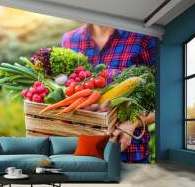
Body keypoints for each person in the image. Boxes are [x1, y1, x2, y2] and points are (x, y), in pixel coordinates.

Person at [62, 24, 157, 163]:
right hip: (79, 152)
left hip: (128, 154)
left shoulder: (143, 38)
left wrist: (132, 123)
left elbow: (163, 100)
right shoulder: (70, 40)